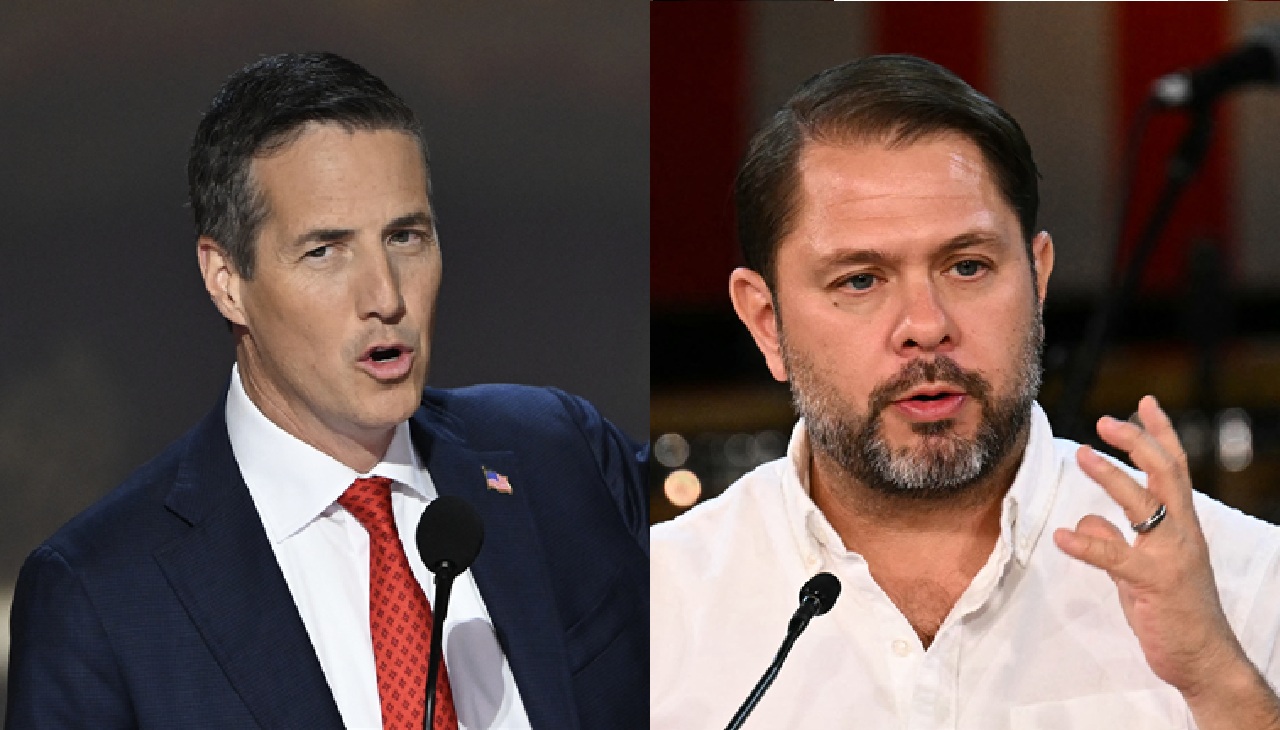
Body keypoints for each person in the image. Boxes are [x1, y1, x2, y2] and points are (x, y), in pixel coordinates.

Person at [6, 52, 647, 730]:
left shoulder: (558, 451)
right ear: (226, 279)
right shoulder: (99, 598)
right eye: (325, 251)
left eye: (405, 237)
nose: (386, 297)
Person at [651, 54, 1280, 729]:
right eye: (861, 280)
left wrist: (1220, 687)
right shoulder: (653, 610)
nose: (927, 326)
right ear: (766, 323)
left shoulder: (1244, 587)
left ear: (1038, 282)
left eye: (968, 266)